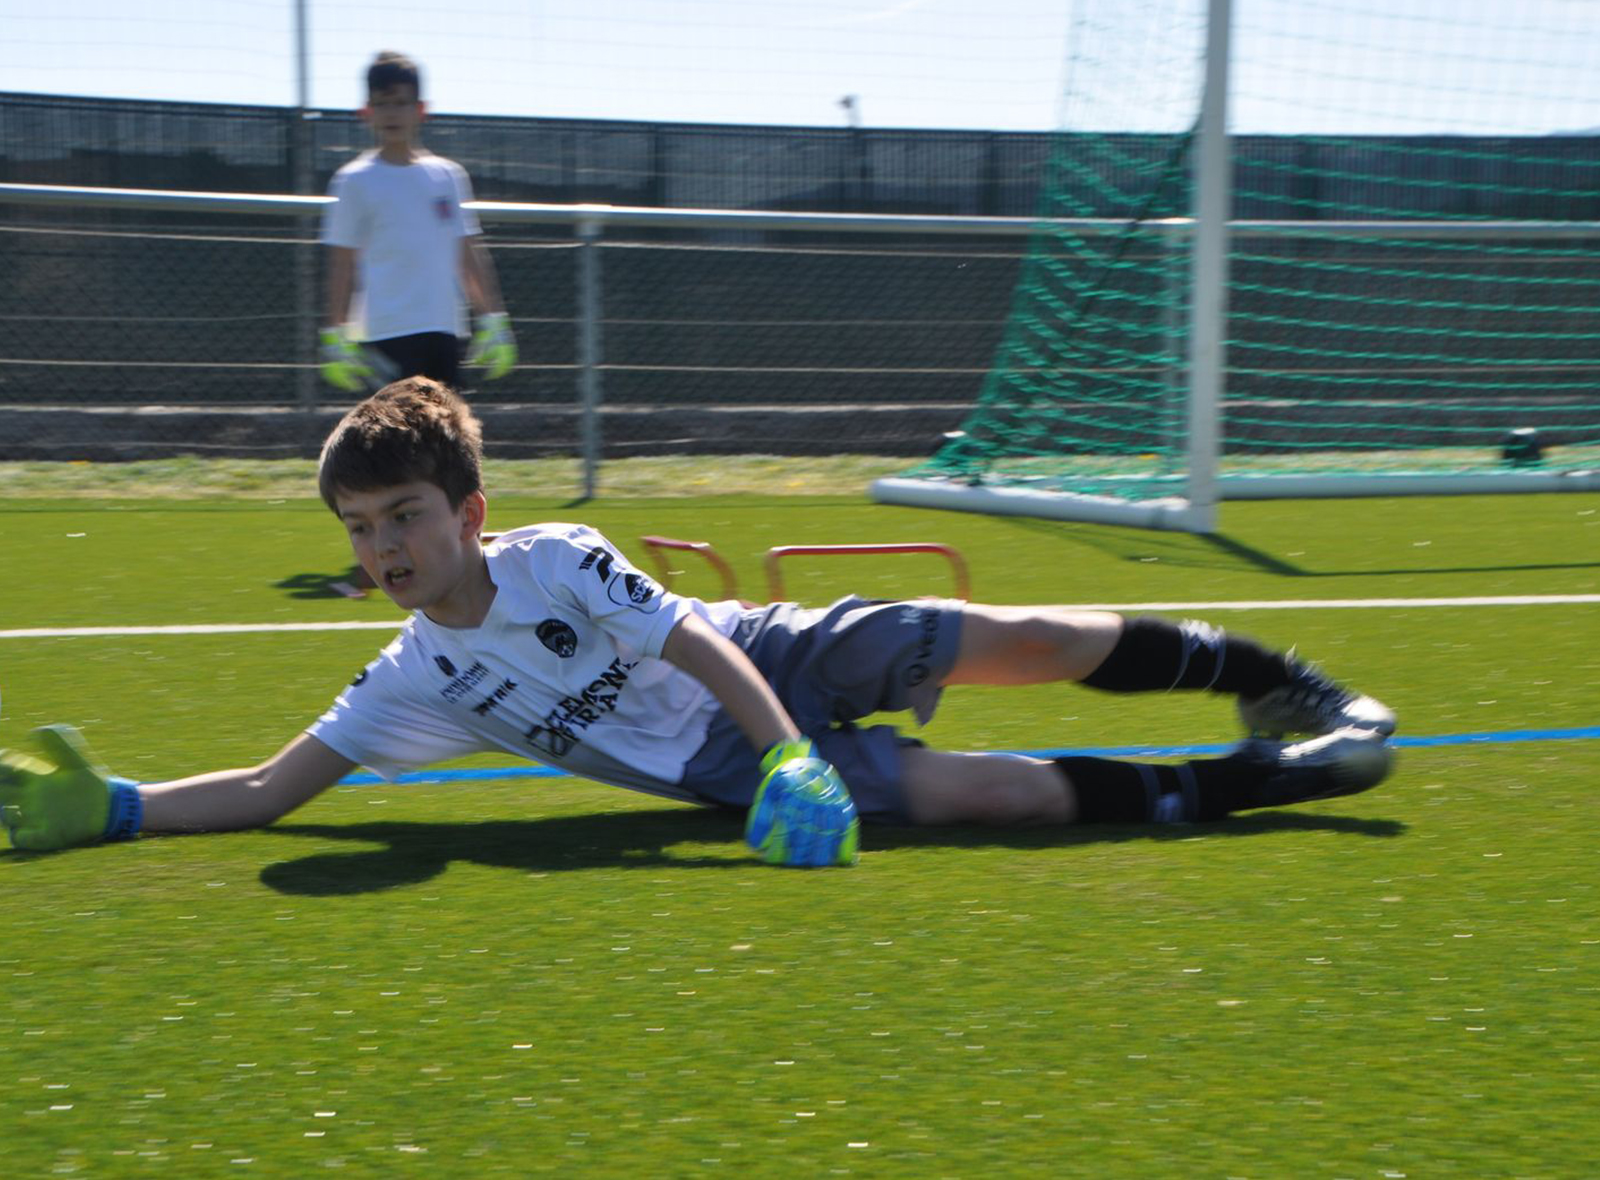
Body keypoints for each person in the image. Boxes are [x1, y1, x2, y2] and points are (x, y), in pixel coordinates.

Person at [0, 379, 1398, 865]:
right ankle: (1274, 780)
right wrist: (118, 808)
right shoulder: (411, 678)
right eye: (362, 534)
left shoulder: (557, 558)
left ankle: (1275, 679)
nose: (386, 551)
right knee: (986, 799)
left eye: (406, 518)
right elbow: (268, 787)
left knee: (1017, 634)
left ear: (468, 510)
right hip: (720, 773)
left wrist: (787, 748)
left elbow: (696, 645)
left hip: (768, 660)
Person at [318, 50, 516, 394]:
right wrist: (334, 333)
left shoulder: (448, 176)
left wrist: (494, 319)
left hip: (443, 331)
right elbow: (341, 264)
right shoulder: (354, 180)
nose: (392, 112)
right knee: (394, 445)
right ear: (366, 112)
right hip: (384, 334)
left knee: (447, 443)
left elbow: (467, 253)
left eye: (401, 102)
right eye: (382, 103)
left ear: (421, 110)